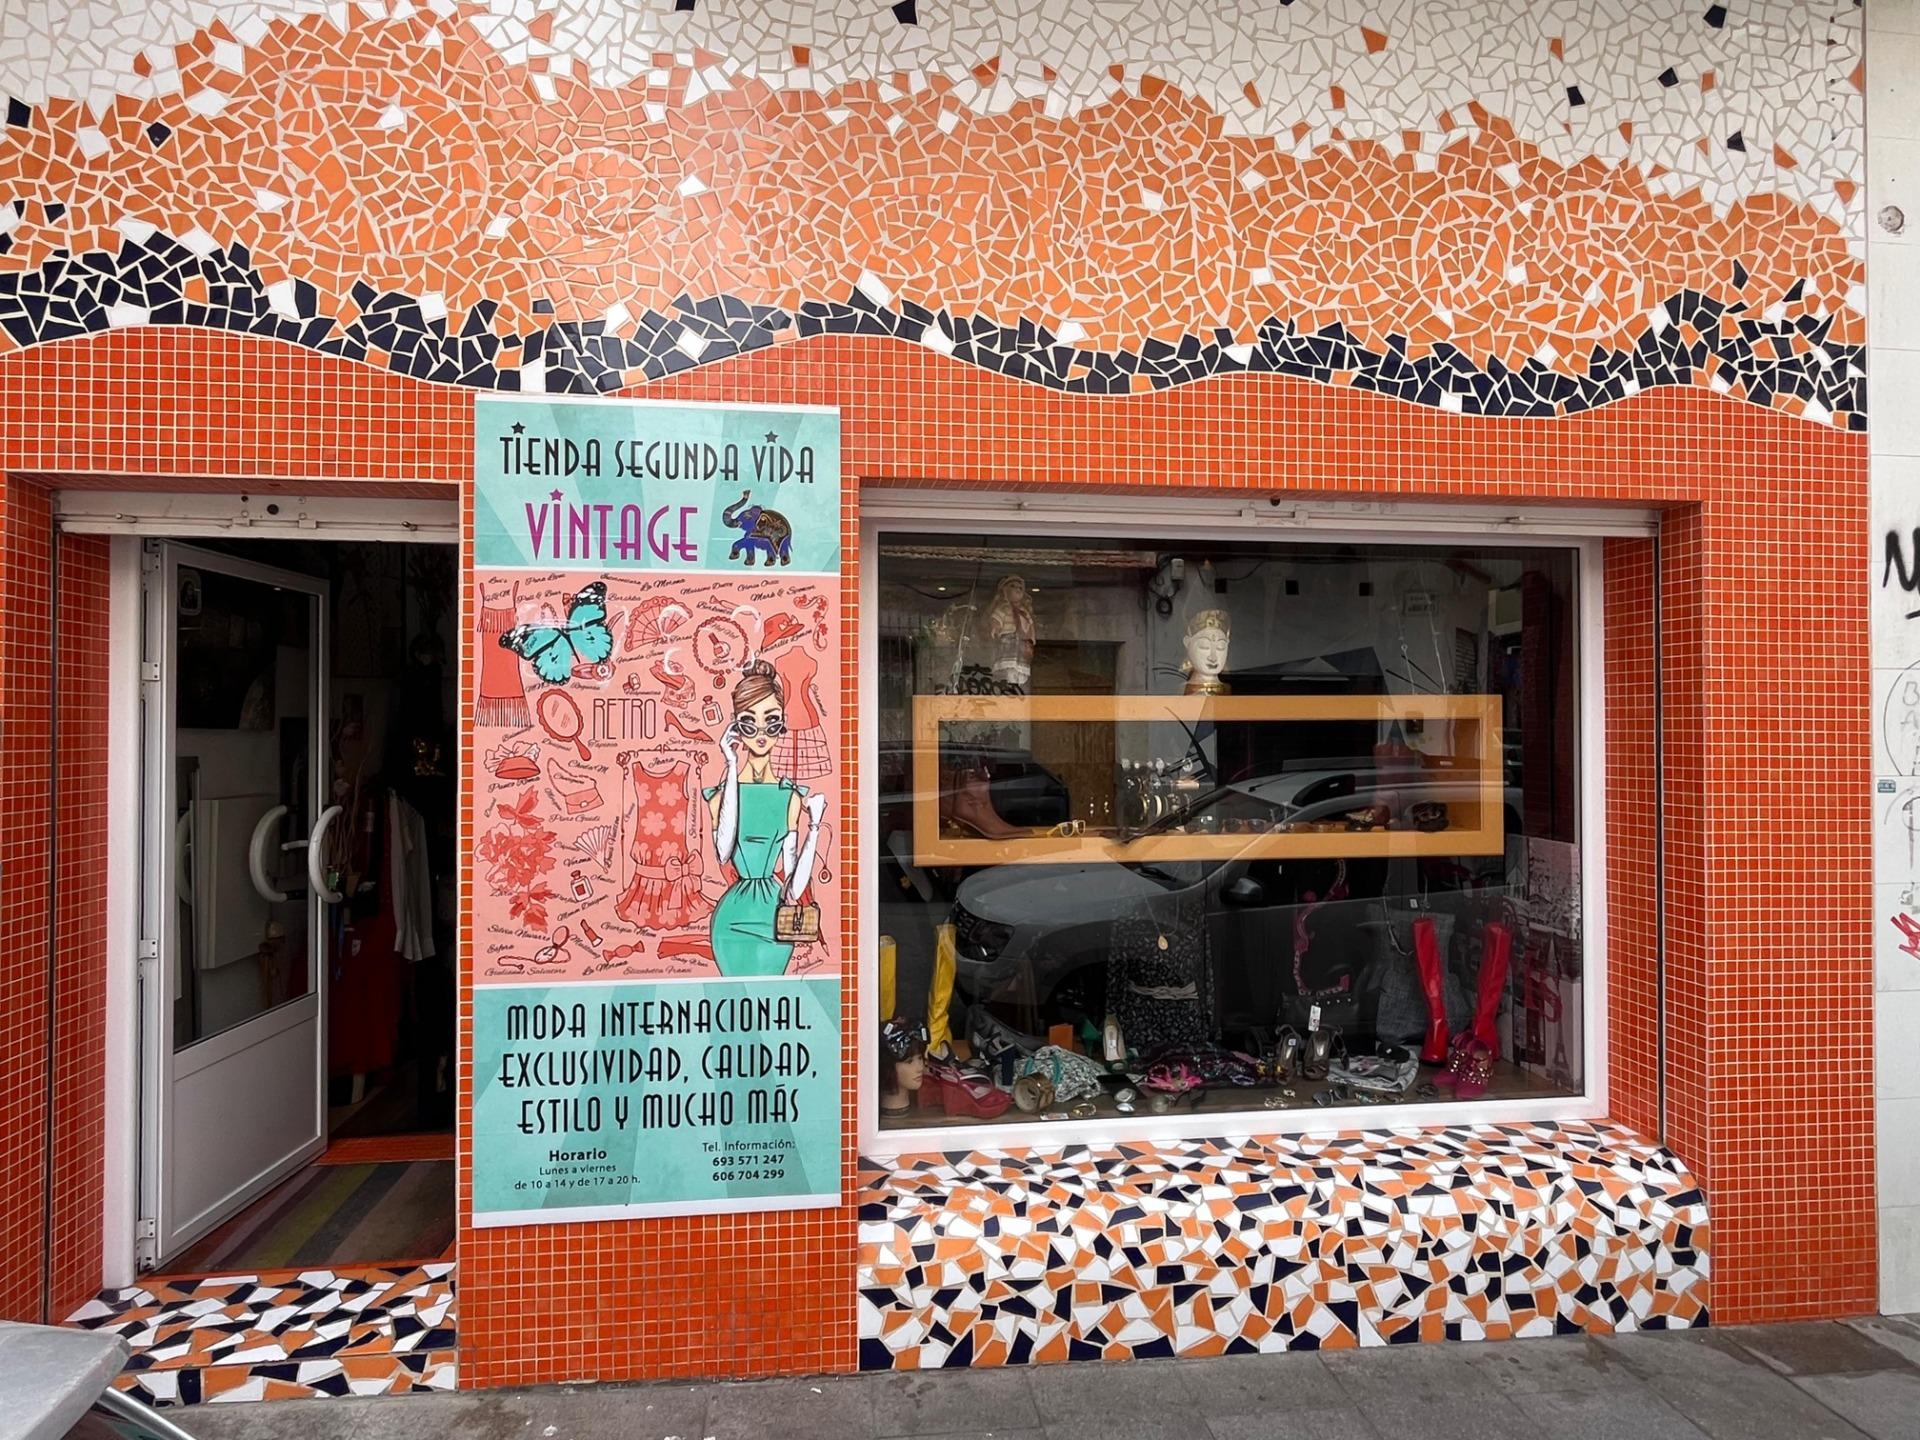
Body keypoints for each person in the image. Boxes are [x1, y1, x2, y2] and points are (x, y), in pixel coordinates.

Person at [706, 660, 827, 976]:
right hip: (732, 921)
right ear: (735, 726)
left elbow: (793, 889)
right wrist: (731, 763)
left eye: (771, 722)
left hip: (774, 919)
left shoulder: (790, 796)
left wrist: (814, 827)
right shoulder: (721, 795)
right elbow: (723, 851)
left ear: (783, 723)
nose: (761, 733)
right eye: (749, 723)